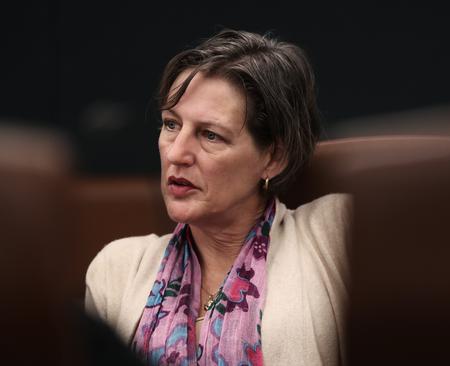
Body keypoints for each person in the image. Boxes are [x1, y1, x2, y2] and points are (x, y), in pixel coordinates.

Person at [84, 29, 351, 365]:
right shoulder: (116, 268)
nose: (177, 153)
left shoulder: (331, 234)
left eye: (210, 135)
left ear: (273, 158)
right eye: (170, 124)